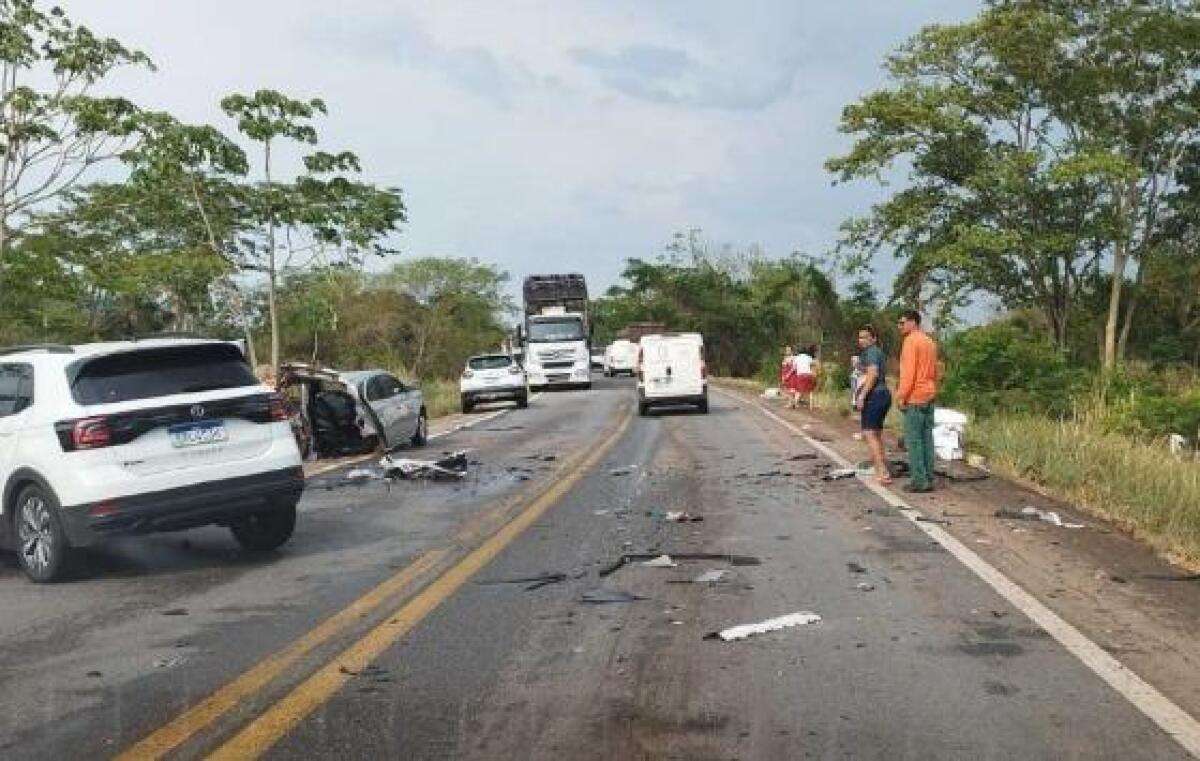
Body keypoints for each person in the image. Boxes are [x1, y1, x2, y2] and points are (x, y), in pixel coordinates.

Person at [895, 310, 939, 492]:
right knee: (927, 439)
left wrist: (901, 396)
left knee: (914, 441)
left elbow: (909, 373)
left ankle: (919, 481)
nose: (900, 326)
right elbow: (936, 370)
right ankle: (928, 477)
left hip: (914, 396)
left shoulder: (910, 341)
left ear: (913, 322)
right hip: (929, 394)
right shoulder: (929, 342)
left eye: (902, 322)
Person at [853, 326, 893, 485]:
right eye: (860, 337)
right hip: (882, 394)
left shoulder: (871, 352)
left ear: (873, 338)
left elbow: (873, 374)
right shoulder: (874, 353)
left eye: (865, 337)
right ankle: (881, 467)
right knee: (875, 434)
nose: (861, 340)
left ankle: (882, 472)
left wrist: (862, 396)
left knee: (869, 434)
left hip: (875, 395)